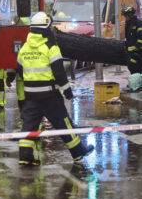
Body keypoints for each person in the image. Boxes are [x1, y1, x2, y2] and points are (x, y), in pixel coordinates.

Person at [16, 12, 94, 166]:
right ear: (46, 29)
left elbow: (20, 70)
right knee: (64, 123)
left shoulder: (24, 48)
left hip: (31, 95)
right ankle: (78, 152)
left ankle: (25, 157)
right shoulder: (51, 47)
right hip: (49, 95)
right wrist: (67, 91)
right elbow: (59, 72)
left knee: (29, 126)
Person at [122, 7, 142, 74]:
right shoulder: (128, 23)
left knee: (134, 66)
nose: (125, 17)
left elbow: (141, 36)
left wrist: (137, 46)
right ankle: (135, 81)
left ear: (130, 15)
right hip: (130, 50)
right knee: (131, 66)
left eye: (125, 16)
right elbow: (127, 36)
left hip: (138, 50)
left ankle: (137, 82)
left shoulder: (138, 23)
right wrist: (125, 44)